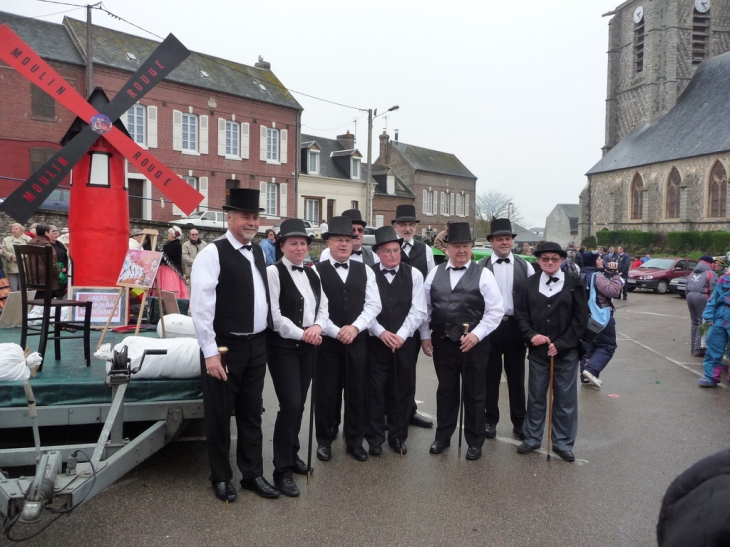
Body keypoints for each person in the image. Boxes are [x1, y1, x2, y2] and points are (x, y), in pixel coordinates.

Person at [190, 188, 278, 502]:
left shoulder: (257, 252)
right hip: (224, 348)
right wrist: (210, 352)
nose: (252, 222)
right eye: (245, 217)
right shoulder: (211, 254)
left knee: (252, 413)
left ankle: (252, 474)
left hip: (256, 345)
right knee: (219, 414)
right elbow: (200, 307)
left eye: (255, 217)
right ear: (230, 218)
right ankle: (221, 476)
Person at [420, 222, 504, 460]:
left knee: (475, 393)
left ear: (471, 248)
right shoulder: (434, 273)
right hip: (443, 343)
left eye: (465, 246)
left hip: (474, 345)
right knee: (446, 391)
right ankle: (442, 437)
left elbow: (495, 311)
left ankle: (475, 441)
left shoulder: (484, 275)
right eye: (456, 246)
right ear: (447, 248)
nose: (461, 251)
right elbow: (425, 309)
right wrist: (425, 335)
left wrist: (477, 335)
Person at [266, 219, 328, 497]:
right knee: (290, 405)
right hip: (283, 347)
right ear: (282, 246)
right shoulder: (273, 273)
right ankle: (281, 471)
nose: (300, 247)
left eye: (303, 243)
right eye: (293, 243)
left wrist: (316, 327)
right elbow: (275, 316)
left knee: (300, 405)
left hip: (308, 345)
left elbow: (323, 307)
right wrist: (302, 333)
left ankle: (292, 455)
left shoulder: (313, 273)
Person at [314, 216, 381, 462]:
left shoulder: (365, 270)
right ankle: (324, 440)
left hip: (357, 341)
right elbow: (316, 308)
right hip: (327, 343)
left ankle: (354, 441)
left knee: (357, 392)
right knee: (326, 392)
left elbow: (374, 305)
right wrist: (335, 331)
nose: (343, 244)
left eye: (347, 240)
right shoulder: (316, 271)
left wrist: (354, 328)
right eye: (338, 240)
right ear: (328, 243)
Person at [514, 241, 588, 462]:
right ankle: (532, 437)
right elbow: (521, 314)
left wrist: (564, 343)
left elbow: (581, 318)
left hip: (566, 353)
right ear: (537, 260)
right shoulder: (528, 284)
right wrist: (531, 335)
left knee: (565, 399)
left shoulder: (575, 283)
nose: (549, 262)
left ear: (562, 261)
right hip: (538, 351)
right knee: (536, 395)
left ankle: (563, 442)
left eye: (555, 259)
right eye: (545, 259)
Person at [366, 225, 427, 456]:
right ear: (378, 253)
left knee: (402, 389)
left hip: (404, 343)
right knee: (375, 390)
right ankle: (374, 438)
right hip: (376, 341)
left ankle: (398, 437)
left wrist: (401, 335)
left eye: (396, 251)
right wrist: (381, 332)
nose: (392, 255)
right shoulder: (368, 273)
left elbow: (419, 310)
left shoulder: (414, 274)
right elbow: (366, 309)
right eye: (387, 251)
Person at [477, 218, 533, 441]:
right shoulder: (480, 267)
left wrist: (530, 330)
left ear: (512, 241)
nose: (504, 242)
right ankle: (490, 420)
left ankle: (519, 422)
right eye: (499, 239)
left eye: (507, 238)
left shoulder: (524, 266)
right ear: (491, 241)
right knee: (489, 377)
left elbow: (532, 299)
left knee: (516, 376)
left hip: (515, 327)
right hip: (489, 328)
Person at [392, 203, 435, 429]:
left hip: (415, 318)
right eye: (403, 224)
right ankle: (390, 414)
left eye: (410, 225)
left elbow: (427, 287)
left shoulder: (424, 250)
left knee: (408, 368)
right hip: (390, 318)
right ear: (396, 227)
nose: (407, 228)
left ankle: (409, 410)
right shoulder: (389, 248)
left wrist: (425, 329)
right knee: (389, 370)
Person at [579, 252, 623, 388]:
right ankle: (592, 370)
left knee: (589, 346)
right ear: (593, 262)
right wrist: (615, 275)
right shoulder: (596, 276)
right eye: (599, 259)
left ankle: (585, 375)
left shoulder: (580, 275)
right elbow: (613, 291)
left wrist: (608, 274)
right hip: (601, 317)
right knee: (607, 345)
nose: (602, 261)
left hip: (584, 317)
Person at [697, 267, 730, 387]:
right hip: (720, 318)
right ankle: (711, 377)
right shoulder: (724, 279)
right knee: (714, 348)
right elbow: (714, 298)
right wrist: (709, 316)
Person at [686, 255, 717, 358]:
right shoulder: (710, 273)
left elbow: (686, 287)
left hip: (690, 296)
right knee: (702, 322)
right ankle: (698, 349)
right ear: (710, 263)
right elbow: (714, 289)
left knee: (694, 323)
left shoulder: (692, 273)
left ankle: (692, 348)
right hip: (702, 296)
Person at [27, 224, 61, 296]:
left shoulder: (29, 243)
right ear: (46, 233)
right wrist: (58, 274)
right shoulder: (47, 246)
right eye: (49, 232)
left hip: (31, 279)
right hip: (45, 281)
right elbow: (53, 265)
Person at [158, 226, 188, 299]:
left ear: (174, 235)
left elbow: (168, 257)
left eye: (169, 233)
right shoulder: (169, 244)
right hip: (165, 269)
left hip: (170, 270)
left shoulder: (176, 245)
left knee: (169, 288)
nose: (168, 235)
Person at [2, 223, 31, 291]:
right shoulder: (6, 240)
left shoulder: (28, 239)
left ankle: (23, 301)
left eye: (16, 229)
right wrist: (11, 256)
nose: (14, 230)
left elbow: (31, 251)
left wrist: (20, 257)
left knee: (23, 288)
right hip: (11, 266)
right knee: (13, 288)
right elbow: (3, 251)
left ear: (21, 231)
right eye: (12, 229)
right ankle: (14, 301)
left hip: (24, 266)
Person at [48, 225, 69, 297]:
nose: (57, 234)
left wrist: (65, 268)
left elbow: (65, 256)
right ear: (47, 233)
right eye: (54, 232)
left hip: (62, 271)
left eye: (57, 232)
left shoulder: (59, 244)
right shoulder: (46, 245)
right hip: (52, 272)